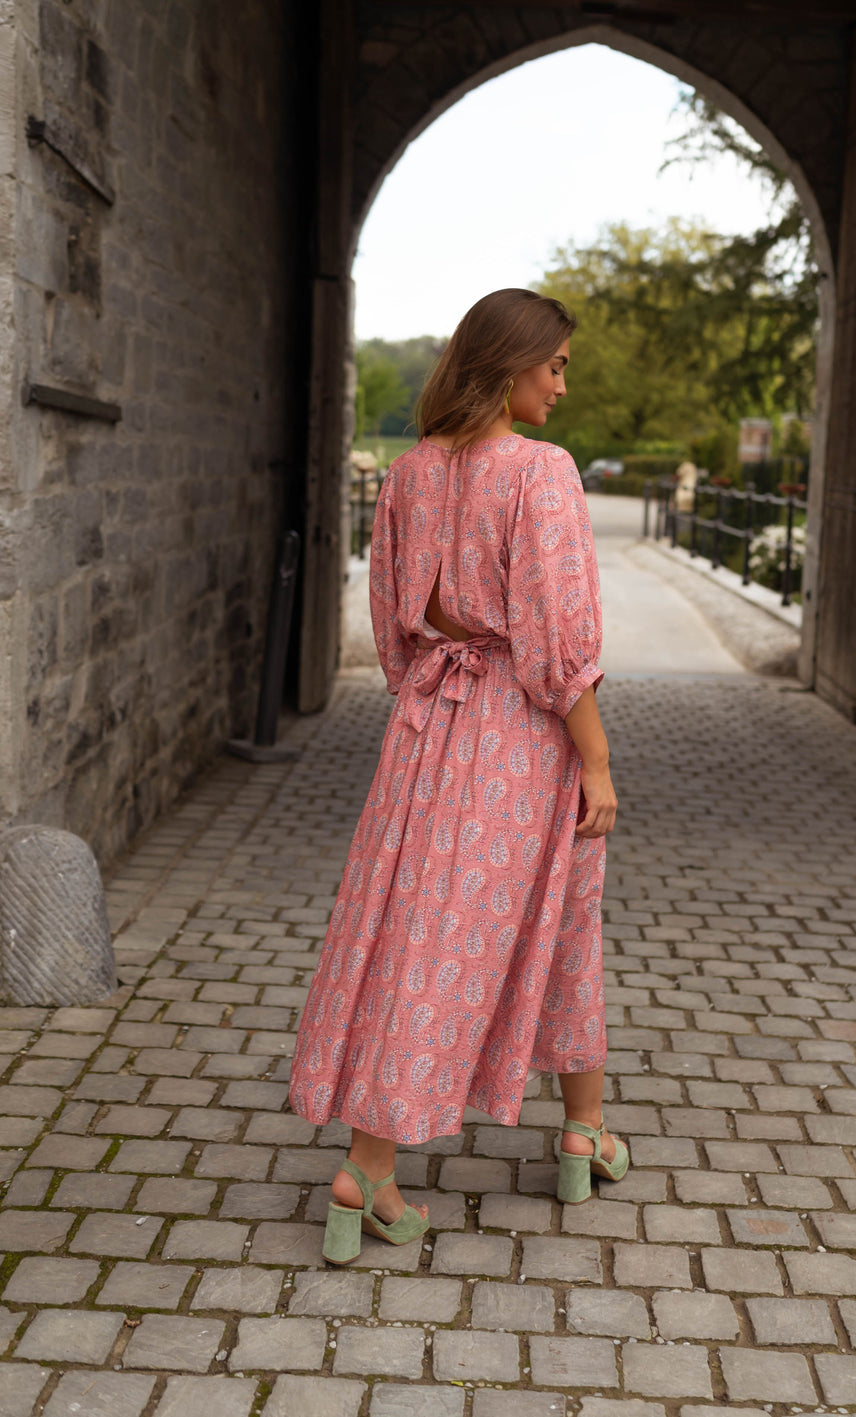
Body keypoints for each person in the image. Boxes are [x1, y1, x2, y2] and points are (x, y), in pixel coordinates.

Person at [289, 288, 628, 1266]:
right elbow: (559, 645)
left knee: (417, 920)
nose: (562, 384)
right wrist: (596, 760)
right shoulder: (539, 473)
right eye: (554, 364)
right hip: (520, 736)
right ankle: (430, 1154)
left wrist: (429, 699)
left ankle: (550, 1129)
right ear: (509, 364)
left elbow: (395, 626)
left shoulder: (407, 475)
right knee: (513, 923)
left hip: (426, 722)